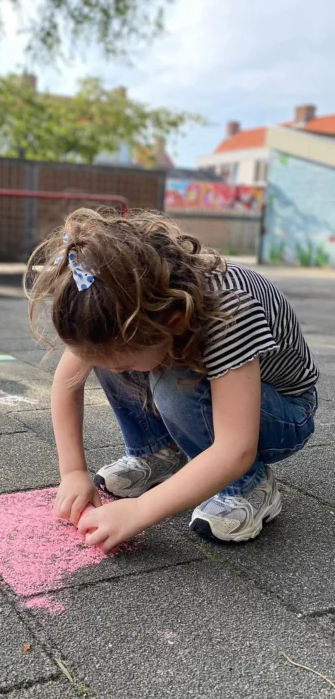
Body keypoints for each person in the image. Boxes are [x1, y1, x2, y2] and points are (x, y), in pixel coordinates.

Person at [26, 208, 318, 550]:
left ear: (175, 322)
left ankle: (248, 486)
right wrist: (73, 473)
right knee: (112, 358)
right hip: (219, 392)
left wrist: (138, 512)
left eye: (126, 364)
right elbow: (67, 383)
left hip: (282, 415)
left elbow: (235, 447)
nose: (118, 373)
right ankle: (157, 452)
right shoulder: (116, 302)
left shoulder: (230, 311)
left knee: (176, 384)